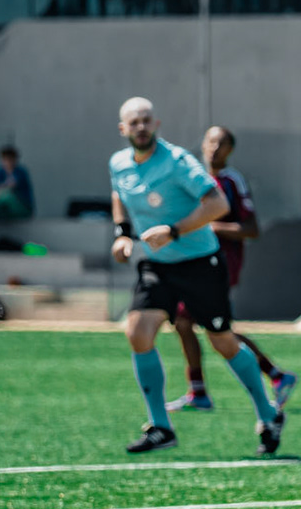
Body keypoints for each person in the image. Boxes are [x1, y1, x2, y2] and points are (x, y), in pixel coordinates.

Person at [107, 98, 286, 456]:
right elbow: (119, 193)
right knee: (137, 333)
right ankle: (161, 427)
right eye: (133, 122)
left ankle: (268, 413)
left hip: (200, 262)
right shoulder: (118, 163)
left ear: (156, 124)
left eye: (146, 120)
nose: (141, 127)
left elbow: (217, 204)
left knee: (222, 342)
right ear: (123, 129)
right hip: (157, 264)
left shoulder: (177, 162)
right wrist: (123, 233)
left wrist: (174, 231)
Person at [165, 127, 298, 415]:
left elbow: (251, 229)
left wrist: (210, 225)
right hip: (193, 262)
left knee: (213, 328)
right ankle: (201, 390)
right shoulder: (196, 180)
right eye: (211, 141)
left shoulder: (231, 182)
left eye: (222, 143)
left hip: (221, 263)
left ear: (230, 150)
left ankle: (273, 376)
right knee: (187, 321)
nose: (215, 147)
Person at [0, 145, 34, 219]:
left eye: (10, 159)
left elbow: (11, 185)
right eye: (5, 159)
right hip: (6, 211)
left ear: (15, 159)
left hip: (23, 207)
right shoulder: (0, 171)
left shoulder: (20, 171)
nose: (7, 162)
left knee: (6, 197)